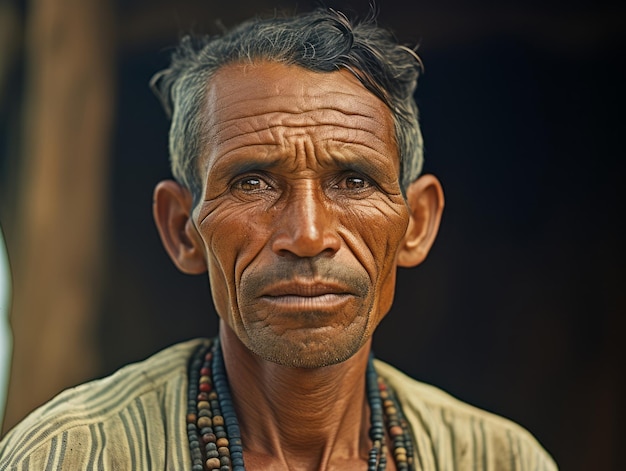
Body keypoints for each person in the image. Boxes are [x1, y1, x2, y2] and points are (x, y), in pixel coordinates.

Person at [0, 6, 558, 470]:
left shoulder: (498, 459)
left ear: (416, 223)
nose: (309, 236)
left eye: (353, 181)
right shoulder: (72, 455)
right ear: (181, 230)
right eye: (252, 183)